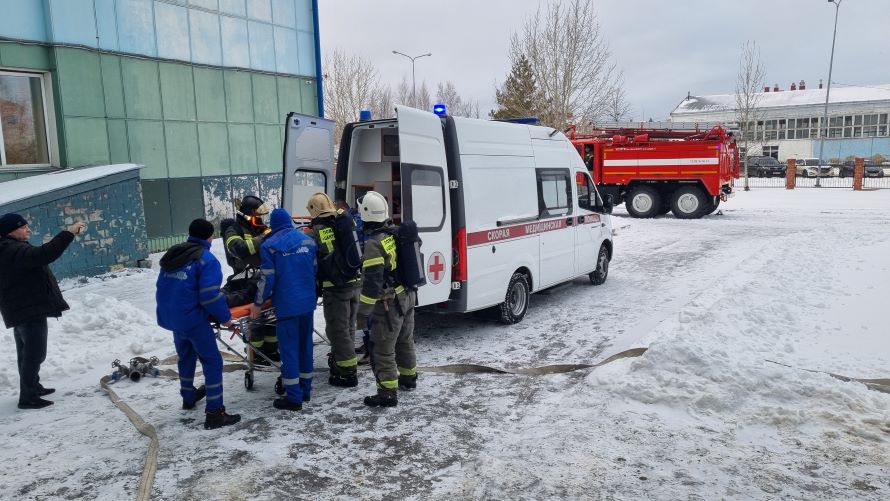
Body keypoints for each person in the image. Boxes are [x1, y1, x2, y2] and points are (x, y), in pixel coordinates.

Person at [156, 219, 241, 430]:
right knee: (212, 362)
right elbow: (210, 297)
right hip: (193, 320)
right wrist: (226, 318)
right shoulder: (206, 259)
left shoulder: (175, 254)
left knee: (185, 357)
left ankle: (188, 396)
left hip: (173, 317)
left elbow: (164, 286)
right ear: (210, 237)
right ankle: (215, 413)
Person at [0, 214, 85, 410]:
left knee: (26, 353)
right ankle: (28, 397)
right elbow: (44, 254)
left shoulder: (9, 248)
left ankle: (33, 388)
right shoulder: (11, 249)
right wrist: (69, 233)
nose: (28, 230)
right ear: (10, 231)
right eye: (23, 227)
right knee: (34, 354)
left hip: (23, 308)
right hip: (28, 310)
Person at [250, 208, 317, 411]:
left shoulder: (269, 246)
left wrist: (258, 303)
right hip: (307, 303)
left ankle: (294, 398)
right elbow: (314, 270)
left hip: (287, 305)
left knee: (288, 351)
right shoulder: (308, 241)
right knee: (305, 347)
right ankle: (305, 390)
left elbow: (267, 278)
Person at [355, 191, 417, 408]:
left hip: (389, 304)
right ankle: (409, 378)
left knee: (382, 347)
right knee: (405, 339)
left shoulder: (374, 243)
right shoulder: (396, 233)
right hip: (407, 296)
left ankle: (387, 393)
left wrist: (362, 313)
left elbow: (371, 283)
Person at [306, 193, 362, 388]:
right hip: (354, 283)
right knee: (348, 328)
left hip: (336, 288)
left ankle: (347, 373)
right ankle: (343, 362)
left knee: (337, 331)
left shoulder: (315, 231)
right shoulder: (342, 223)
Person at [223, 195, 278, 362]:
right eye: (259, 216)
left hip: (264, 278)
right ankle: (257, 355)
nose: (262, 219)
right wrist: (263, 239)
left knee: (271, 320)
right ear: (249, 215)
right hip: (245, 279)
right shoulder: (233, 230)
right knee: (256, 322)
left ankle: (271, 351)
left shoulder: (259, 229)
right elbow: (238, 249)